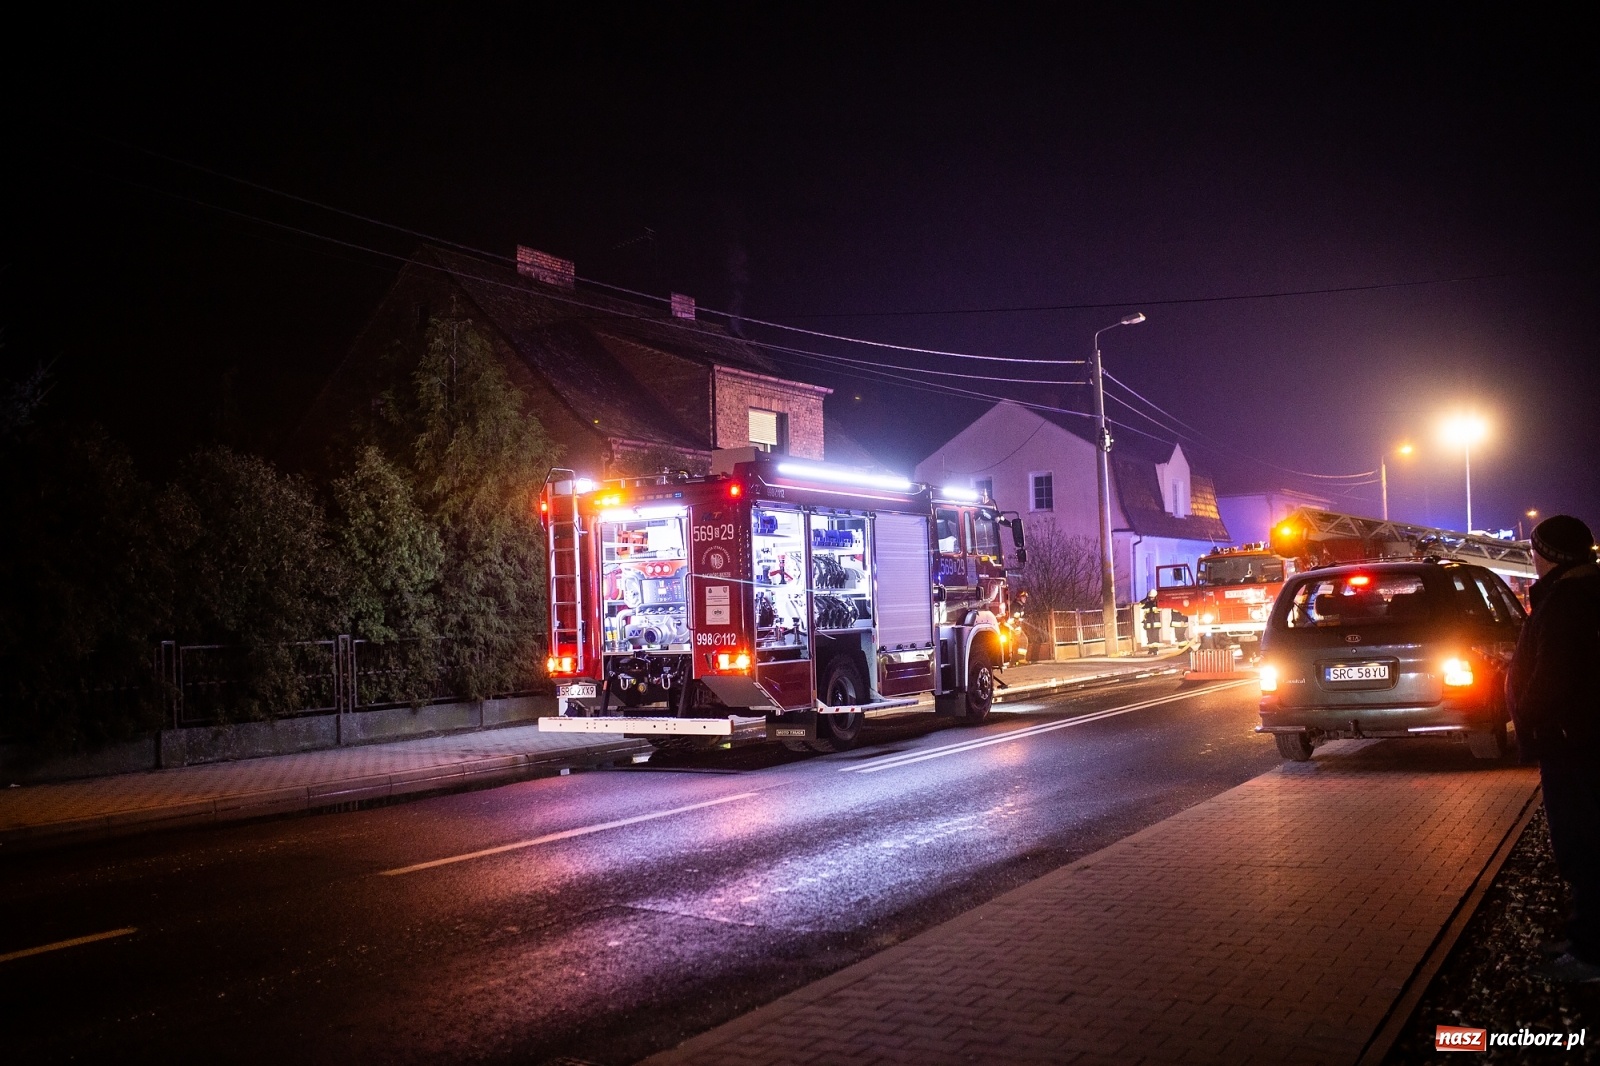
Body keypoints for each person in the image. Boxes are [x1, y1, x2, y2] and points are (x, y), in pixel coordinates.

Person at [1506, 514, 1600, 984]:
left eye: (1535, 549)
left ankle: (1591, 954)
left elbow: (1555, 676)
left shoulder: (1566, 601)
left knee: (1585, 843)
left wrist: (1529, 716)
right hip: (1580, 738)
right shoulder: (1582, 593)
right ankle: (1585, 937)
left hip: (1573, 743)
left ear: (1546, 555)